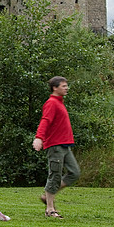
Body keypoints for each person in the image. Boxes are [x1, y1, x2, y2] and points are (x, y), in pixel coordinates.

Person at [33, 76, 80, 219]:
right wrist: (39, 138)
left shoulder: (60, 103)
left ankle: (47, 196)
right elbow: (45, 121)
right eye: (63, 86)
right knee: (55, 175)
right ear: (55, 87)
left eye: (66, 86)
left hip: (65, 145)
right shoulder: (51, 103)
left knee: (74, 173)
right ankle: (50, 209)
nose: (66, 88)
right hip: (55, 146)